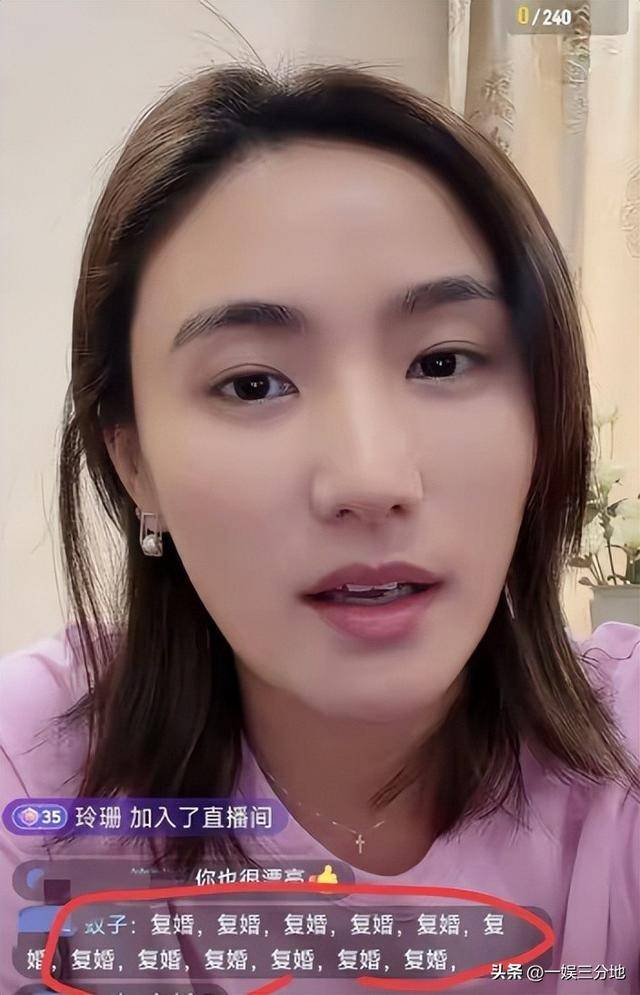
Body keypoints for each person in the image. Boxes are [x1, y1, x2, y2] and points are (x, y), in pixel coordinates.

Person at [1, 60, 638, 995]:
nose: (371, 480)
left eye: (443, 361)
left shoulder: (624, 760)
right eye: (253, 382)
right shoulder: (33, 773)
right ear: (135, 465)